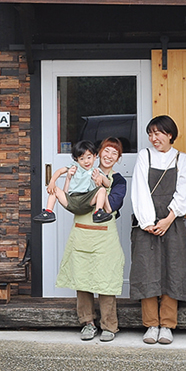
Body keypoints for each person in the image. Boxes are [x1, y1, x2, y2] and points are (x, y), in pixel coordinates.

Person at [129, 115, 186, 345]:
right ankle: (150, 324)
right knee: (146, 269)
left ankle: (167, 325)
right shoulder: (144, 156)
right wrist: (147, 220)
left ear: (170, 135)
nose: (153, 138)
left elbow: (184, 192)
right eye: (150, 133)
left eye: (158, 133)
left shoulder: (182, 159)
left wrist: (168, 218)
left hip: (172, 222)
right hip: (145, 222)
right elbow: (139, 188)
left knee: (172, 269)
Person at [55, 138, 127, 342]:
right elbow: (72, 201)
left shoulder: (119, 180)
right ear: (97, 154)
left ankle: (109, 326)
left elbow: (111, 206)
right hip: (82, 232)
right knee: (82, 278)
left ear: (118, 158)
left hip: (105, 235)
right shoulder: (82, 173)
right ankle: (87, 323)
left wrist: (101, 185)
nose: (109, 156)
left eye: (115, 153)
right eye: (106, 151)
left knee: (107, 280)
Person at [33, 140, 113, 224]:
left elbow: (108, 184)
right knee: (54, 189)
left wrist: (100, 177)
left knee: (102, 190)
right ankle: (48, 212)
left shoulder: (96, 171)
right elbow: (59, 171)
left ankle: (98, 212)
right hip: (72, 200)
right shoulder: (74, 166)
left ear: (94, 156)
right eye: (82, 159)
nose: (86, 161)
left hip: (87, 200)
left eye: (89, 157)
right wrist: (52, 182)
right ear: (76, 159)